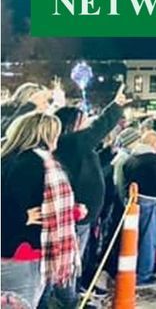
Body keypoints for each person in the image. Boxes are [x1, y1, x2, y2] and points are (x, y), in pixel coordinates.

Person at [51, 86, 128, 302]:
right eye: (82, 120)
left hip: (88, 214)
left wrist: (106, 155)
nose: (87, 123)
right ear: (71, 125)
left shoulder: (78, 147)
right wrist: (116, 106)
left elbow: (86, 167)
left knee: (80, 259)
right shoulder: (70, 142)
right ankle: (69, 300)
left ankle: (75, 293)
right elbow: (98, 128)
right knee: (70, 262)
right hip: (77, 215)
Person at [1, 112, 84, 308]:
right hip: (22, 251)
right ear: (46, 134)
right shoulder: (35, 164)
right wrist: (22, 216)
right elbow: (43, 208)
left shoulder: (9, 158)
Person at [122, 131, 156, 284]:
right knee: (149, 238)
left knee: (134, 238)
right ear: (155, 144)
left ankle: (135, 271)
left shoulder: (131, 159)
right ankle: (144, 273)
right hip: (150, 200)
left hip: (133, 201)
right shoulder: (153, 160)